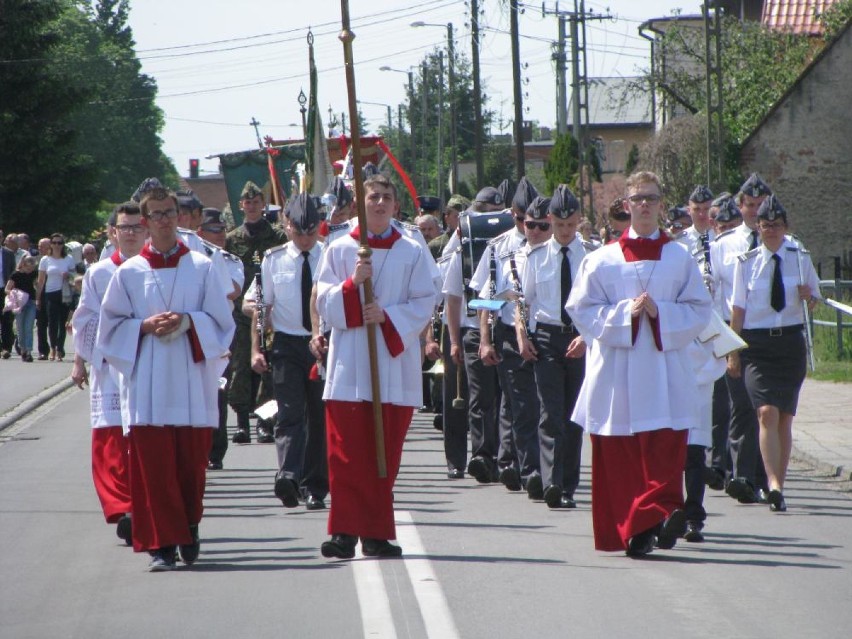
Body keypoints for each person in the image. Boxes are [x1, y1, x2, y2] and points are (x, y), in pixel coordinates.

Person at [566, 171, 712, 557]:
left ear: (661, 204)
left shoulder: (680, 258)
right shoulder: (601, 259)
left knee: (665, 453)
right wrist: (624, 315)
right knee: (622, 459)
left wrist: (660, 312)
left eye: (651, 197)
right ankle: (639, 529)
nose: (644, 204)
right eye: (637, 199)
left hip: (664, 371)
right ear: (626, 205)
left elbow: (700, 310)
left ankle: (651, 518)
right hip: (619, 373)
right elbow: (579, 308)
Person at [97, 187, 235, 571]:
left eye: (169, 212)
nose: (163, 220)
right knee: (154, 470)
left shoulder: (204, 266)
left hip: (191, 381)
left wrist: (189, 321)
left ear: (179, 216)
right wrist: (142, 326)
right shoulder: (128, 273)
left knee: (189, 466)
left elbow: (223, 326)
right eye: (156, 214)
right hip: (149, 385)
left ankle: (189, 526)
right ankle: (161, 545)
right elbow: (108, 330)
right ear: (145, 222)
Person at [315, 174, 436, 559]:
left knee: (384, 454)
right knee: (346, 454)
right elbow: (323, 303)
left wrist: (384, 314)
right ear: (360, 203)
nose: (379, 203)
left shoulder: (412, 250)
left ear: (395, 205)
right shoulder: (337, 247)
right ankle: (344, 532)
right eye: (373, 197)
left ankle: (376, 533)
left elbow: (425, 300)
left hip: (392, 365)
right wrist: (353, 285)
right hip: (350, 365)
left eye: (386, 197)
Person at [728, 195, 819, 513]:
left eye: (776, 226)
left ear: (786, 227)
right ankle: (774, 483)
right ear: (758, 227)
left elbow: (814, 298)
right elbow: (737, 310)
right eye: (765, 225)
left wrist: (809, 295)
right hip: (757, 346)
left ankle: (776, 486)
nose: (770, 231)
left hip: (790, 344)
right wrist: (733, 351)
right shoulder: (746, 262)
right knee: (766, 412)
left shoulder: (799, 256)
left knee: (784, 418)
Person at [71, 202, 148, 544]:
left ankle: (143, 507)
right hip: (109, 368)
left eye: (136, 226)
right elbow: (83, 319)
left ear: (145, 231)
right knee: (112, 442)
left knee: (144, 439)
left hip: (148, 365)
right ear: (112, 232)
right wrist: (83, 358)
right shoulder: (98, 273)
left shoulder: (155, 269)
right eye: (124, 227)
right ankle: (123, 508)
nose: (130, 233)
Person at [249, 194, 328, 510]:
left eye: (311, 232)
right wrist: (256, 349)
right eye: (298, 231)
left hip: (323, 344)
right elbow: (260, 308)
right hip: (286, 344)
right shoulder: (273, 259)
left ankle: (314, 486)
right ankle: (288, 476)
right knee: (290, 413)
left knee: (319, 418)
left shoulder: (330, 255)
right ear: (286, 225)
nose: (305, 239)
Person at [518, 188, 590, 509]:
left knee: (574, 415)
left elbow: (597, 303)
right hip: (546, 338)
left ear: (579, 221)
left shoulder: (590, 256)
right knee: (550, 413)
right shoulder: (535, 257)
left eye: (571, 225)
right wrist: (522, 336)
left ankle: (569, 485)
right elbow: (524, 302)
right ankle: (552, 483)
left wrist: (587, 336)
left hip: (579, 337)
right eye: (559, 225)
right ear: (550, 221)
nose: (565, 232)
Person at [472, 177, 542, 495]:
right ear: (511, 214)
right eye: (520, 218)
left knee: (527, 403)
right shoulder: (497, 246)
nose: (528, 226)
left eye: (534, 219)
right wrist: (485, 340)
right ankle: (518, 465)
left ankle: (516, 461)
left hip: (541, 331)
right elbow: (485, 299)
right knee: (516, 400)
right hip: (507, 331)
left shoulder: (549, 243)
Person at [711, 173, 772, 505]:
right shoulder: (723, 245)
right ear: (740, 206)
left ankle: (761, 478)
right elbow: (714, 297)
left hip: (765, 334)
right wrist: (714, 339)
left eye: (761, 205)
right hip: (729, 329)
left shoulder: (777, 241)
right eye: (750, 205)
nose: (755, 211)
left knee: (763, 408)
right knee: (738, 406)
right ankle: (741, 475)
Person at [225, 181, 288, 444]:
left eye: (256, 202)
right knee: (240, 369)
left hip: (271, 313)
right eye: (247, 202)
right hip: (241, 314)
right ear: (241, 206)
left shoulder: (278, 236)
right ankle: (242, 424)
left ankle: (265, 422)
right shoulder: (232, 239)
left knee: (268, 370)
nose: (251, 206)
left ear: (264, 205)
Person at [197, 207, 244, 471]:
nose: (220, 235)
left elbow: (233, 291)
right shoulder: (191, 258)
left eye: (223, 230)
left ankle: (215, 450)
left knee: (218, 390)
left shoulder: (230, 260)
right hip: (195, 330)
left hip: (221, 334)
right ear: (201, 232)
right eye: (214, 230)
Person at [35, 233, 76, 361]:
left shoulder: (68, 259)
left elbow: (74, 277)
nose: (57, 245)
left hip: (64, 293)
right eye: (55, 243)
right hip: (50, 293)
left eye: (60, 243)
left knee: (63, 322)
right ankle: (52, 348)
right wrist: (38, 298)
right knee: (52, 323)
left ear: (63, 245)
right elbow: (41, 281)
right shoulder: (45, 260)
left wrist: (68, 275)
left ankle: (60, 349)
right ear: (51, 245)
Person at [4, 254, 38, 362]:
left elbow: (37, 286)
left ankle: (28, 351)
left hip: (31, 302)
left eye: (32, 268)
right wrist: (15, 293)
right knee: (20, 327)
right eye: (28, 268)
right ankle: (22, 348)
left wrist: (38, 293)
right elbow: (7, 289)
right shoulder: (16, 275)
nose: (30, 270)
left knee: (29, 327)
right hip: (19, 303)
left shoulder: (34, 274)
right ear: (23, 264)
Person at [0, 232, 17, 359]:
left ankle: (6, 347)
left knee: (7, 319)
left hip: (4, 290)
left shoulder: (8, 253)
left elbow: (13, 272)